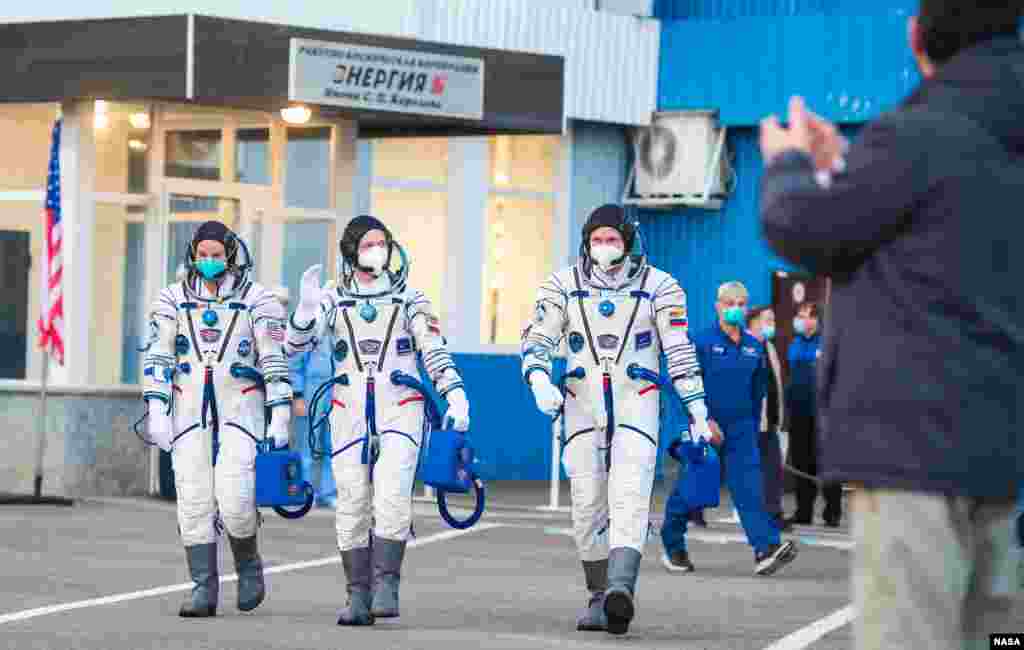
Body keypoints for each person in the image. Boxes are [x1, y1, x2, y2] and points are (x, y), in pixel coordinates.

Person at [759, 2, 1023, 645]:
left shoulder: (922, 130)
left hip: (916, 450)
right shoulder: (999, 128)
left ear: (917, 36)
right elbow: (941, 224)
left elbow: (803, 228)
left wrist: (791, 164)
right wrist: (848, 162)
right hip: (1005, 449)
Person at [521, 204, 714, 635]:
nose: (604, 248)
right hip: (580, 405)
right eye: (596, 240)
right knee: (587, 504)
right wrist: (537, 379)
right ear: (585, 243)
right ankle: (597, 594)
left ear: (629, 242)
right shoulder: (563, 285)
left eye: (612, 239)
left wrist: (697, 408)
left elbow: (679, 352)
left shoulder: (660, 287)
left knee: (629, 492)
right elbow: (536, 338)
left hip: (637, 403)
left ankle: (620, 589)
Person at [285, 215, 471, 627]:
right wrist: (304, 310)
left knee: (391, 495)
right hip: (348, 410)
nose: (377, 251)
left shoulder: (409, 297)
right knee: (351, 500)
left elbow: (434, 350)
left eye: (382, 243)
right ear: (351, 251)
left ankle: (387, 584)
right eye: (368, 244)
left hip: (401, 408)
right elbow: (292, 347)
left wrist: (454, 392)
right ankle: (357, 594)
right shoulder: (331, 300)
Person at [141, 220, 292, 617]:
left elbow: (274, 359)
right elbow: (158, 355)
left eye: (216, 255)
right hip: (188, 409)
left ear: (231, 255)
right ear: (192, 255)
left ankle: (248, 566)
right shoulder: (171, 300)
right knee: (192, 500)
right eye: (203, 255)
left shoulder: (257, 300)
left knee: (236, 498)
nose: (209, 262)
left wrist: (279, 414)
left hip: (241, 407)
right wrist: (156, 408)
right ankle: (203, 588)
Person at [660, 282, 797, 577]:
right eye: (729, 302)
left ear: (746, 308)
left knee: (750, 489)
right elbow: (679, 383)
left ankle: (766, 548)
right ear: (718, 306)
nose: (734, 308)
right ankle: (672, 544)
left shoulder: (753, 346)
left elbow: (759, 388)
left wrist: (748, 422)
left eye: (740, 303)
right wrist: (701, 420)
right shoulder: (699, 341)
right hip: (704, 426)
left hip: (741, 429)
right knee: (694, 490)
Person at [784, 302, 842, 528]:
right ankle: (803, 511)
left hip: (823, 414)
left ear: (818, 320)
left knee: (827, 462)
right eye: (800, 315)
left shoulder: (827, 343)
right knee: (801, 462)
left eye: (808, 316)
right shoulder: (795, 344)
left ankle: (832, 512)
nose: (803, 320)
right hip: (799, 414)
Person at [285, 283, 338, 509]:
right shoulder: (309, 330)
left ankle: (328, 492)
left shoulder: (340, 332)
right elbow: (294, 364)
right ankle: (306, 491)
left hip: (337, 395)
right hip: (310, 394)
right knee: (308, 445)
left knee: (332, 446)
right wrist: (297, 395)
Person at [746, 305, 787, 531]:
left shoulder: (769, 347)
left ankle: (773, 515)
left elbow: (776, 385)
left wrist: (779, 416)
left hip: (768, 421)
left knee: (772, 470)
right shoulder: (744, 347)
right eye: (767, 319)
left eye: (773, 320)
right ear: (753, 322)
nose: (771, 324)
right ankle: (691, 508)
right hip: (748, 422)